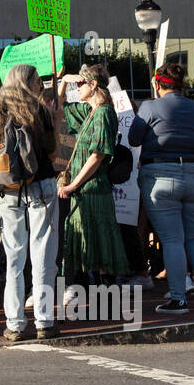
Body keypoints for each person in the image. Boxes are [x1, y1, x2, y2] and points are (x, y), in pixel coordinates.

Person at [127, 63, 194, 314]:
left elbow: (134, 138)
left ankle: (178, 299)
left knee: (172, 240)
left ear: (157, 84)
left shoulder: (149, 106)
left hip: (161, 175)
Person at [0, 66, 60, 340]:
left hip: (8, 188)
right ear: (28, 82)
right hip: (40, 185)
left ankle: (14, 323)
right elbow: (52, 154)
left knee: (14, 257)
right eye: (37, 80)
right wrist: (56, 120)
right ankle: (44, 321)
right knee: (43, 253)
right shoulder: (38, 111)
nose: (40, 84)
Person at [57, 64, 128, 287]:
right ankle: (94, 290)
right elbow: (57, 106)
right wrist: (64, 81)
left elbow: (97, 156)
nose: (77, 88)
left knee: (99, 243)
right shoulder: (90, 112)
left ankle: (107, 293)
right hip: (84, 191)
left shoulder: (104, 113)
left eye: (80, 83)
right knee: (87, 241)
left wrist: (72, 186)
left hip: (94, 189)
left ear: (93, 84)